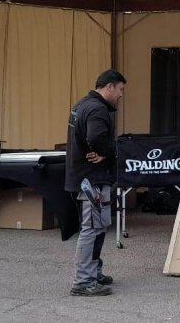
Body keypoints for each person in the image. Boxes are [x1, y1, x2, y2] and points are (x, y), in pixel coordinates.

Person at [65, 69, 126, 297]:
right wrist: (108, 152)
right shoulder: (98, 109)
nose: (121, 95)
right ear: (109, 87)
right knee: (91, 228)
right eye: (120, 90)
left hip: (84, 177)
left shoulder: (82, 104)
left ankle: (93, 272)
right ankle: (83, 281)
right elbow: (96, 137)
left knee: (98, 227)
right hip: (92, 180)